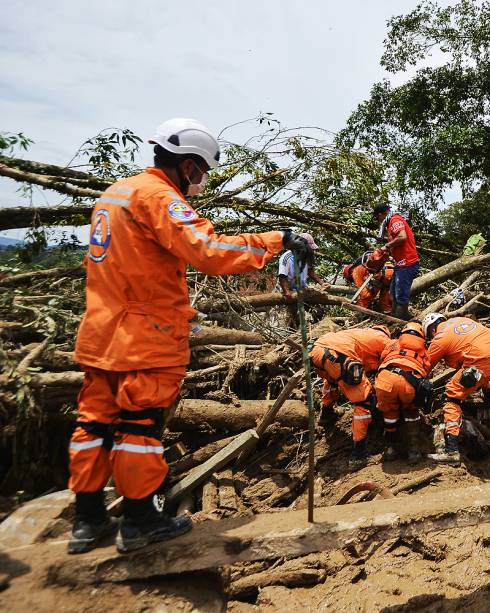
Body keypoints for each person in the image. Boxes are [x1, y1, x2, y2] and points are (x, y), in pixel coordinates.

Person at [68, 118, 314, 555]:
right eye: (200, 172)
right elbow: (210, 251)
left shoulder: (115, 194)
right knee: (139, 428)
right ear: (187, 165)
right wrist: (278, 239)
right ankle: (141, 521)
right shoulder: (159, 197)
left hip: (100, 332)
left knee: (93, 425)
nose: (200, 182)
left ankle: (88, 520)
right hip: (142, 337)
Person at [421, 313, 490, 464]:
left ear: (431, 330)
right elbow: (481, 370)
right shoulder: (462, 320)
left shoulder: (439, 338)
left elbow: (424, 369)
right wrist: (487, 394)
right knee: (475, 373)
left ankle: (452, 452)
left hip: (482, 359)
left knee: (451, 397)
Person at [310, 324, 392, 469]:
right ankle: (357, 455)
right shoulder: (383, 339)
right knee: (364, 402)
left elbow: (365, 364)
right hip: (338, 356)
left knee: (332, 380)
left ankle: (326, 413)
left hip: (317, 352)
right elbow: (390, 361)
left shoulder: (359, 334)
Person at [374, 322, 430, 462]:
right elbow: (427, 368)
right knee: (412, 413)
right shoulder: (423, 348)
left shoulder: (393, 343)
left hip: (386, 380)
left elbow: (382, 358)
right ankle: (414, 452)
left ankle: (391, 449)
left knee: (389, 415)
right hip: (409, 384)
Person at [374, 203, 419, 320]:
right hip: (400, 264)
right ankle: (396, 316)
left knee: (400, 294)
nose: (379, 221)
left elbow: (402, 237)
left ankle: (401, 319)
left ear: (380, 215)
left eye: (378, 218)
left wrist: (386, 246)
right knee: (393, 294)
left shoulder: (395, 220)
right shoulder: (391, 224)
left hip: (407, 263)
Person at [277, 233, 329, 326]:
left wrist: (322, 283)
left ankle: (312, 330)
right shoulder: (286, 257)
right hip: (288, 291)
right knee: (291, 317)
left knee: (318, 311)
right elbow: (282, 276)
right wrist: (287, 292)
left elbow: (310, 271)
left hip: (302, 290)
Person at [343, 247, 395, 314]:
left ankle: (359, 314)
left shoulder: (355, 271)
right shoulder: (362, 265)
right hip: (392, 271)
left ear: (349, 275)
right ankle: (388, 313)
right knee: (385, 296)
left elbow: (362, 290)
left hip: (383, 274)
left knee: (365, 297)